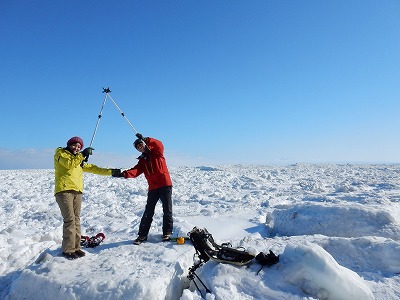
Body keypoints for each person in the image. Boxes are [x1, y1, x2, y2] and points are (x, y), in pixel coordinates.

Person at [54, 136, 121, 260]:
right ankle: (68, 249)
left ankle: (76, 247)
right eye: (74, 145)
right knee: (69, 220)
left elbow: (94, 168)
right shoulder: (60, 154)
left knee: (76, 220)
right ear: (69, 145)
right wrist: (82, 155)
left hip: (77, 192)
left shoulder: (78, 160)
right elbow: (69, 164)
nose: (76, 148)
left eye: (79, 147)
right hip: (64, 191)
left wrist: (111, 172)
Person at [117, 134, 173, 245]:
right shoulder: (142, 161)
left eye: (140, 144)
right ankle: (142, 235)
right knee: (148, 211)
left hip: (165, 185)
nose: (139, 147)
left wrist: (146, 139)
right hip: (153, 187)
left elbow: (159, 144)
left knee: (167, 210)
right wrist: (123, 174)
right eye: (137, 147)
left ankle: (167, 232)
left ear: (145, 144)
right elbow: (136, 171)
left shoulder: (157, 152)